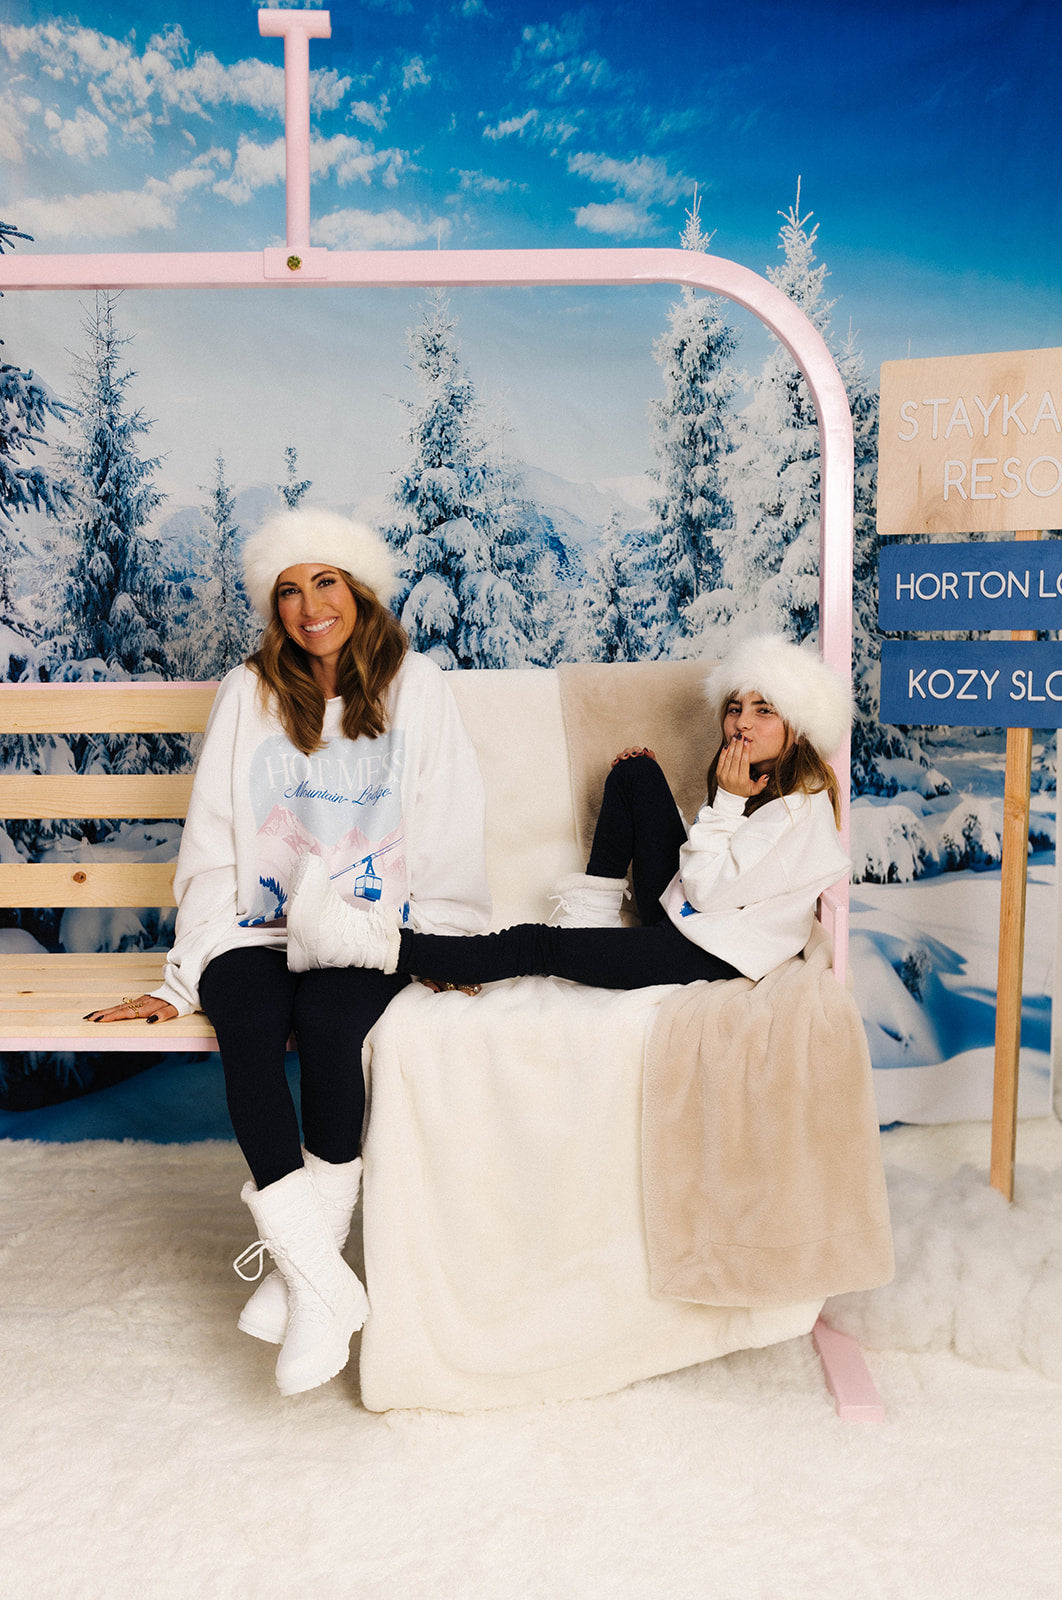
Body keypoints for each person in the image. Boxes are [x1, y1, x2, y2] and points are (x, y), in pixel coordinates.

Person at [85, 507, 490, 1398]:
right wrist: (183, 971)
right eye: (289, 591)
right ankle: (322, 1282)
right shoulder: (249, 690)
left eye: (326, 583)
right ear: (274, 609)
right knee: (251, 1023)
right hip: (252, 923)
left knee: (331, 1021)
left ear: (358, 591)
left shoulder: (416, 686)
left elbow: (450, 822)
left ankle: (302, 1282)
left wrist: (446, 941)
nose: (309, 607)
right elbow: (217, 837)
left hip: (359, 925)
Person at [284, 633, 852, 998]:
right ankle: (594, 924)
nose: (741, 724)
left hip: (709, 952)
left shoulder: (795, 816)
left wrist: (725, 804)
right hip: (693, 916)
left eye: (764, 711)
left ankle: (362, 943)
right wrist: (715, 803)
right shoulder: (757, 782)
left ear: (797, 728)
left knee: (536, 944)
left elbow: (707, 889)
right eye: (735, 708)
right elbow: (710, 871)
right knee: (636, 773)